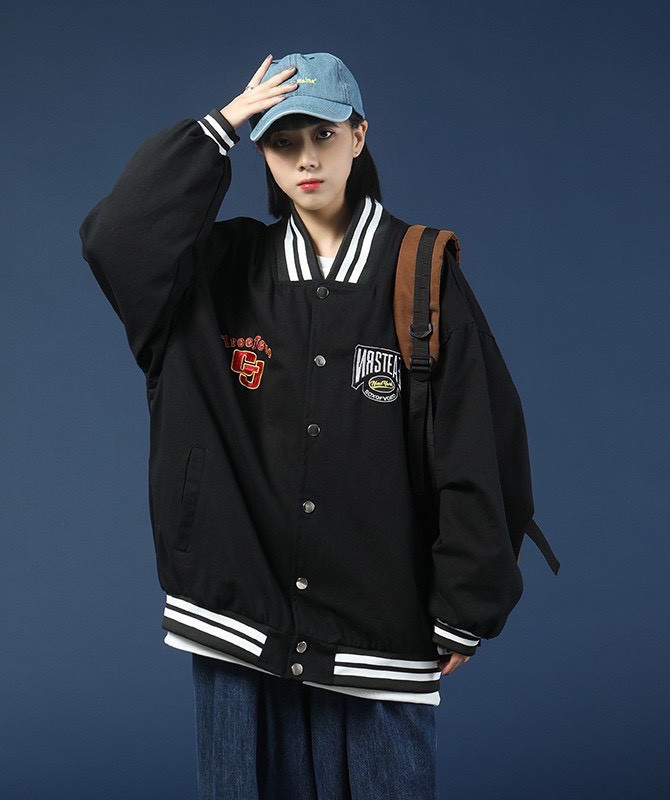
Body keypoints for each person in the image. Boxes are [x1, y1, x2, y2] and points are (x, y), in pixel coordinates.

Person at [79, 52, 530, 799]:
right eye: (283, 141)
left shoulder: (420, 273)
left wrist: (466, 604)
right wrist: (222, 124)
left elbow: (477, 443)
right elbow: (116, 237)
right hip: (238, 622)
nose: (306, 159)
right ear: (261, 152)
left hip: (378, 629)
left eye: (323, 134)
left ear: (359, 136)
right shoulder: (216, 269)